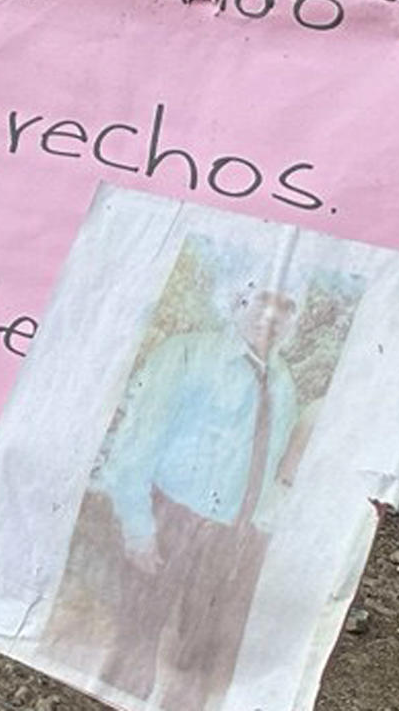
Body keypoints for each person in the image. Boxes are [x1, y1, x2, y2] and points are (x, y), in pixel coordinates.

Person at [78, 277, 303, 710]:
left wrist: (254, 535)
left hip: (227, 539)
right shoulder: (187, 353)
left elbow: (267, 468)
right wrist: (139, 530)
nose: (272, 316)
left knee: (196, 659)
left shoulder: (283, 382)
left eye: (287, 306)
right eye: (262, 300)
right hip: (168, 520)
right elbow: (134, 446)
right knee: (136, 646)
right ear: (238, 301)